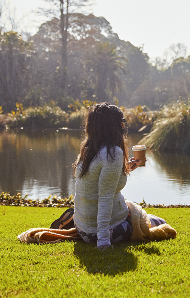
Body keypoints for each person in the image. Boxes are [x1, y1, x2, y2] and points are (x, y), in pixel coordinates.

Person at [72, 103, 167, 250]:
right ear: (113, 126)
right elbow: (105, 197)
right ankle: (107, 234)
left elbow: (92, 183)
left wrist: (125, 168)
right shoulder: (112, 152)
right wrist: (103, 241)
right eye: (122, 122)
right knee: (160, 222)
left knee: (145, 216)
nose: (123, 126)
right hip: (99, 232)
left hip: (82, 228)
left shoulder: (88, 149)